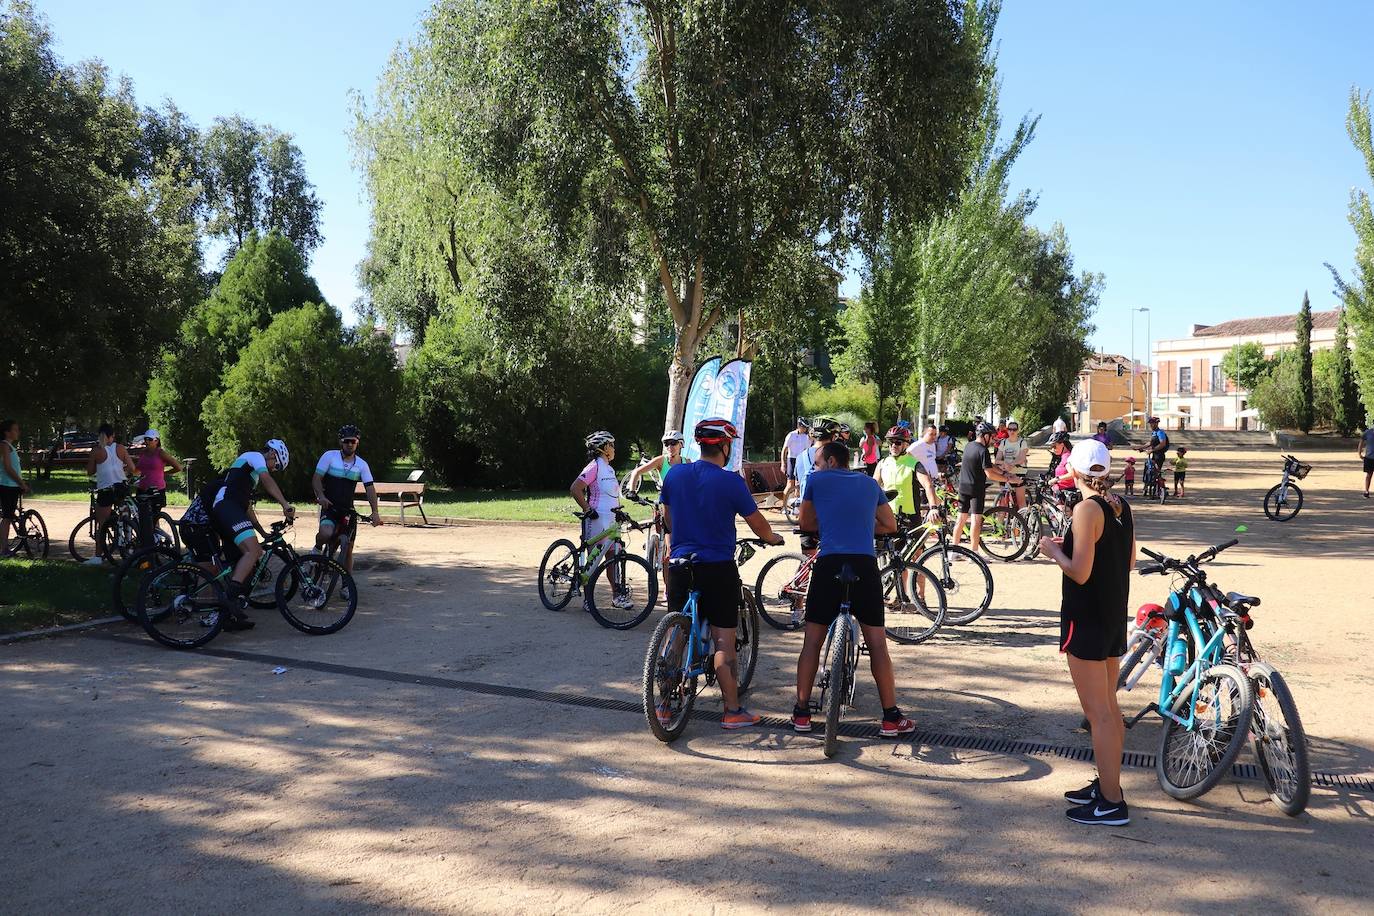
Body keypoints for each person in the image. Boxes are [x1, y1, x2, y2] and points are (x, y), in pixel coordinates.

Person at [658, 418, 784, 729]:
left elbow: (667, 516)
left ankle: (663, 704)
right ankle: (732, 710)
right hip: (716, 567)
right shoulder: (730, 482)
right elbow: (758, 524)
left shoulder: (675, 474)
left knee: (678, 631)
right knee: (724, 641)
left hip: (679, 565)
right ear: (725, 447)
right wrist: (773, 538)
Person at [1037, 438, 1135, 826]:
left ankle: (1111, 802)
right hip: (1112, 612)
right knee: (1109, 708)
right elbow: (1123, 559)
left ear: (1073, 471)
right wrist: (1076, 544)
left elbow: (1079, 571)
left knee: (1099, 714)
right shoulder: (1120, 505)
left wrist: (1054, 551)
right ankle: (1109, 785)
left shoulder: (1085, 508)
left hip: (1087, 616)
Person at [792, 439, 916, 738]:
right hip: (864, 565)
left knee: (812, 642)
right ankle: (890, 717)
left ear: (832, 461)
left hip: (829, 563)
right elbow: (889, 526)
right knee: (877, 643)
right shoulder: (868, 483)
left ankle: (801, 712)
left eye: (819, 462)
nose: (816, 467)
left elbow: (805, 522)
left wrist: (831, 522)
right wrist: (860, 525)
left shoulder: (816, 480)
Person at [208, 439, 296, 629]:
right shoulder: (254, 456)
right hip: (227, 506)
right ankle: (228, 601)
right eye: (277, 465)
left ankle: (229, 618)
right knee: (253, 551)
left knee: (240, 559)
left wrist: (261, 531)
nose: (274, 469)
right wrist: (285, 504)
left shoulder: (250, 476)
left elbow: (247, 506)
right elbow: (267, 480)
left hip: (230, 509)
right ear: (272, 454)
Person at [571, 430, 632, 610]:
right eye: (611, 445)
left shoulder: (609, 468)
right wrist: (588, 509)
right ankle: (588, 599)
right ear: (604, 448)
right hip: (597, 520)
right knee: (593, 560)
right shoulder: (594, 466)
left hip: (612, 520)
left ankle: (617, 596)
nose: (614, 449)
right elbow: (575, 488)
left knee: (614, 558)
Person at [312, 424, 385, 573]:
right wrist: (321, 496)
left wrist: (375, 512)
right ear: (340, 442)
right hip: (329, 507)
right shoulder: (329, 456)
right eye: (346, 441)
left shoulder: (362, 465)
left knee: (348, 548)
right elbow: (316, 479)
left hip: (347, 510)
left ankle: (346, 585)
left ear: (357, 442)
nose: (350, 444)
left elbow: (370, 488)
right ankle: (317, 548)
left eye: (353, 441)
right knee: (326, 533)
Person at [954, 422, 1021, 552]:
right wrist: (1008, 479)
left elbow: (988, 465)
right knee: (976, 520)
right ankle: (974, 552)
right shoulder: (983, 450)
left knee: (960, 519)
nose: (992, 440)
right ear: (985, 436)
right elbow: (989, 473)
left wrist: (1003, 472)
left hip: (963, 487)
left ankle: (953, 551)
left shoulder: (969, 446)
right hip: (976, 489)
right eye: (991, 437)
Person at [84, 423, 139, 565]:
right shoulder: (120, 448)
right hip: (122, 487)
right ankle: (129, 549)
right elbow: (132, 468)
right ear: (111, 436)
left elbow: (90, 471)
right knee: (126, 518)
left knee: (102, 524)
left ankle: (97, 556)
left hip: (106, 489)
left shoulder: (96, 451)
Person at [134, 430, 183, 547]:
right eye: (145, 439)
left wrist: (165, 473)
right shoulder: (142, 453)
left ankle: (153, 542)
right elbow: (137, 468)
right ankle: (149, 542)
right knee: (142, 517)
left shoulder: (160, 453)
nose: (147, 441)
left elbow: (178, 467)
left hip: (157, 489)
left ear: (156, 441)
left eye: (150, 439)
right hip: (143, 487)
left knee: (153, 517)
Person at [873, 426, 917, 517]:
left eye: (898, 443)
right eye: (890, 442)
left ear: (906, 445)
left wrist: (933, 508)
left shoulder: (914, 463)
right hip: (888, 513)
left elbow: (928, 485)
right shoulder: (883, 463)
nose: (893, 446)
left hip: (909, 515)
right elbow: (873, 487)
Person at [627, 430, 689, 495]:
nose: (669, 447)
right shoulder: (660, 461)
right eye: (666, 444)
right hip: (666, 501)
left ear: (681, 444)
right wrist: (632, 491)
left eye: (673, 443)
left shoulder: (687, 462)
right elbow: (636, 472)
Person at [0, 419, 29, 556]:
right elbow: (8, 468)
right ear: (7, 432)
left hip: (13, 485)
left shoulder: (11, 447)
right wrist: (21, 483)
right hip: (7, 485)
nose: (18, 432)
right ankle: (4, 549)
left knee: (9, 515)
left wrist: (21, 482)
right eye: (15, 429)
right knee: (7, 517)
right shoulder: (4, 445)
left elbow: (15, 469)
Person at [994, 420, 1029, 509]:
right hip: (1006, 473)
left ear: (1018, 431)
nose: (1012, 431)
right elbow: (997, 460)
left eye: (1014, 429)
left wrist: (1011, 465)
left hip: (1019, 472)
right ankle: (999, 522)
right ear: (1007, 430)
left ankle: (1023, 520)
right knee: (1002, 503)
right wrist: (1004, 463)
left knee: (1021, 502)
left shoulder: (1022, 442)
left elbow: (1021, 458)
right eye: (1010, 429)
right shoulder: (1004, 442)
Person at [908, 423, 941, 514]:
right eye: (931, 434)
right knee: (926, 507)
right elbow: (906, 457)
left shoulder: (933, 445)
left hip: (933, 481)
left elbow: (931, 460)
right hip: (922, 483)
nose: (934, 437)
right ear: (924, 434)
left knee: (938, 504)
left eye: (935, 434)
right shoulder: (918, 445)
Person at [1136, 417, 1170, 496]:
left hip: (1159, 455)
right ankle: (1153, 488)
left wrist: (1152, 450)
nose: (1151, 425)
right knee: (1151, 470)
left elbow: (1162, 444)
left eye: (1152, 423)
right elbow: (1150, 443)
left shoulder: (1160, 432)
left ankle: (1160, 489)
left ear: (1156, 423)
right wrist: (1141, 448)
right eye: (1150, 424)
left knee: (1156, 472)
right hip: (1155, 455)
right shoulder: (1154, 433)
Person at [780, 418, 811, 503]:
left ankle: (796, 505)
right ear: (799, 426)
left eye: (806, 427)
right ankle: (784, 505)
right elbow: (784, 449)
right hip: (792, 459)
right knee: (790, 484)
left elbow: (807, 450)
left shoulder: (806, 437)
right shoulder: (791, 435)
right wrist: (783, 463)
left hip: (801, 460)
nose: (805, 429)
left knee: (800, 484)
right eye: (803, 427)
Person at [1360, 424, 1374, 498]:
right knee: (1369, 475)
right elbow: (1361, 442)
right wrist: (1359, 452)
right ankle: (1366, 491)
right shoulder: (1368, 432)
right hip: (1369, 457)